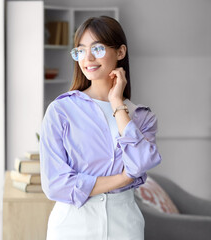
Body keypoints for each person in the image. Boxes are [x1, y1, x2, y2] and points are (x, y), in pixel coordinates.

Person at [39, 16, 162, 240]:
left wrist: (117, 102)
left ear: (121, 52)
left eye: (97, 48)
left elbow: (141, 162)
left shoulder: (142, 117)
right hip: (72, 226)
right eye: (80, 50)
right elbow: (55, 184)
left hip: (125, 226)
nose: (87, 58)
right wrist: (123, 178)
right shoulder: (60, 110)